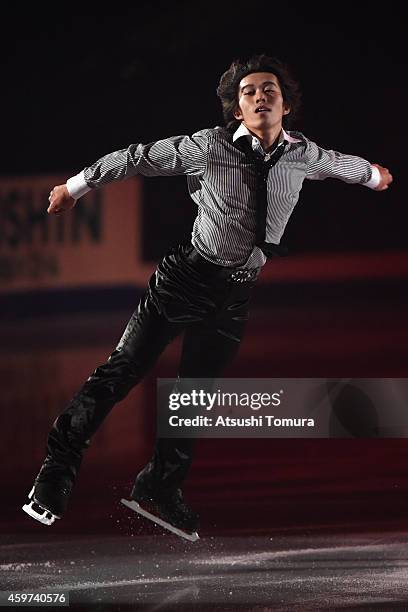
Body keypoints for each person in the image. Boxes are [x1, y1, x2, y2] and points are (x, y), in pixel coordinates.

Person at [22, 54, 393, 535]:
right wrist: (73, 187)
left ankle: (159, 486)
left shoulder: (304, 154)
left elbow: (344, 165)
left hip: (235, 296)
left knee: (194, 396)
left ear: (285, 105)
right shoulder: (208, 146)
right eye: (249, 91)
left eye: (269, 89)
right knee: (122, 372)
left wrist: (374, 175)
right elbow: (137, 157)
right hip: (184, 281)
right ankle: (57, 471)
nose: (260, 95)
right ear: (237, 109)